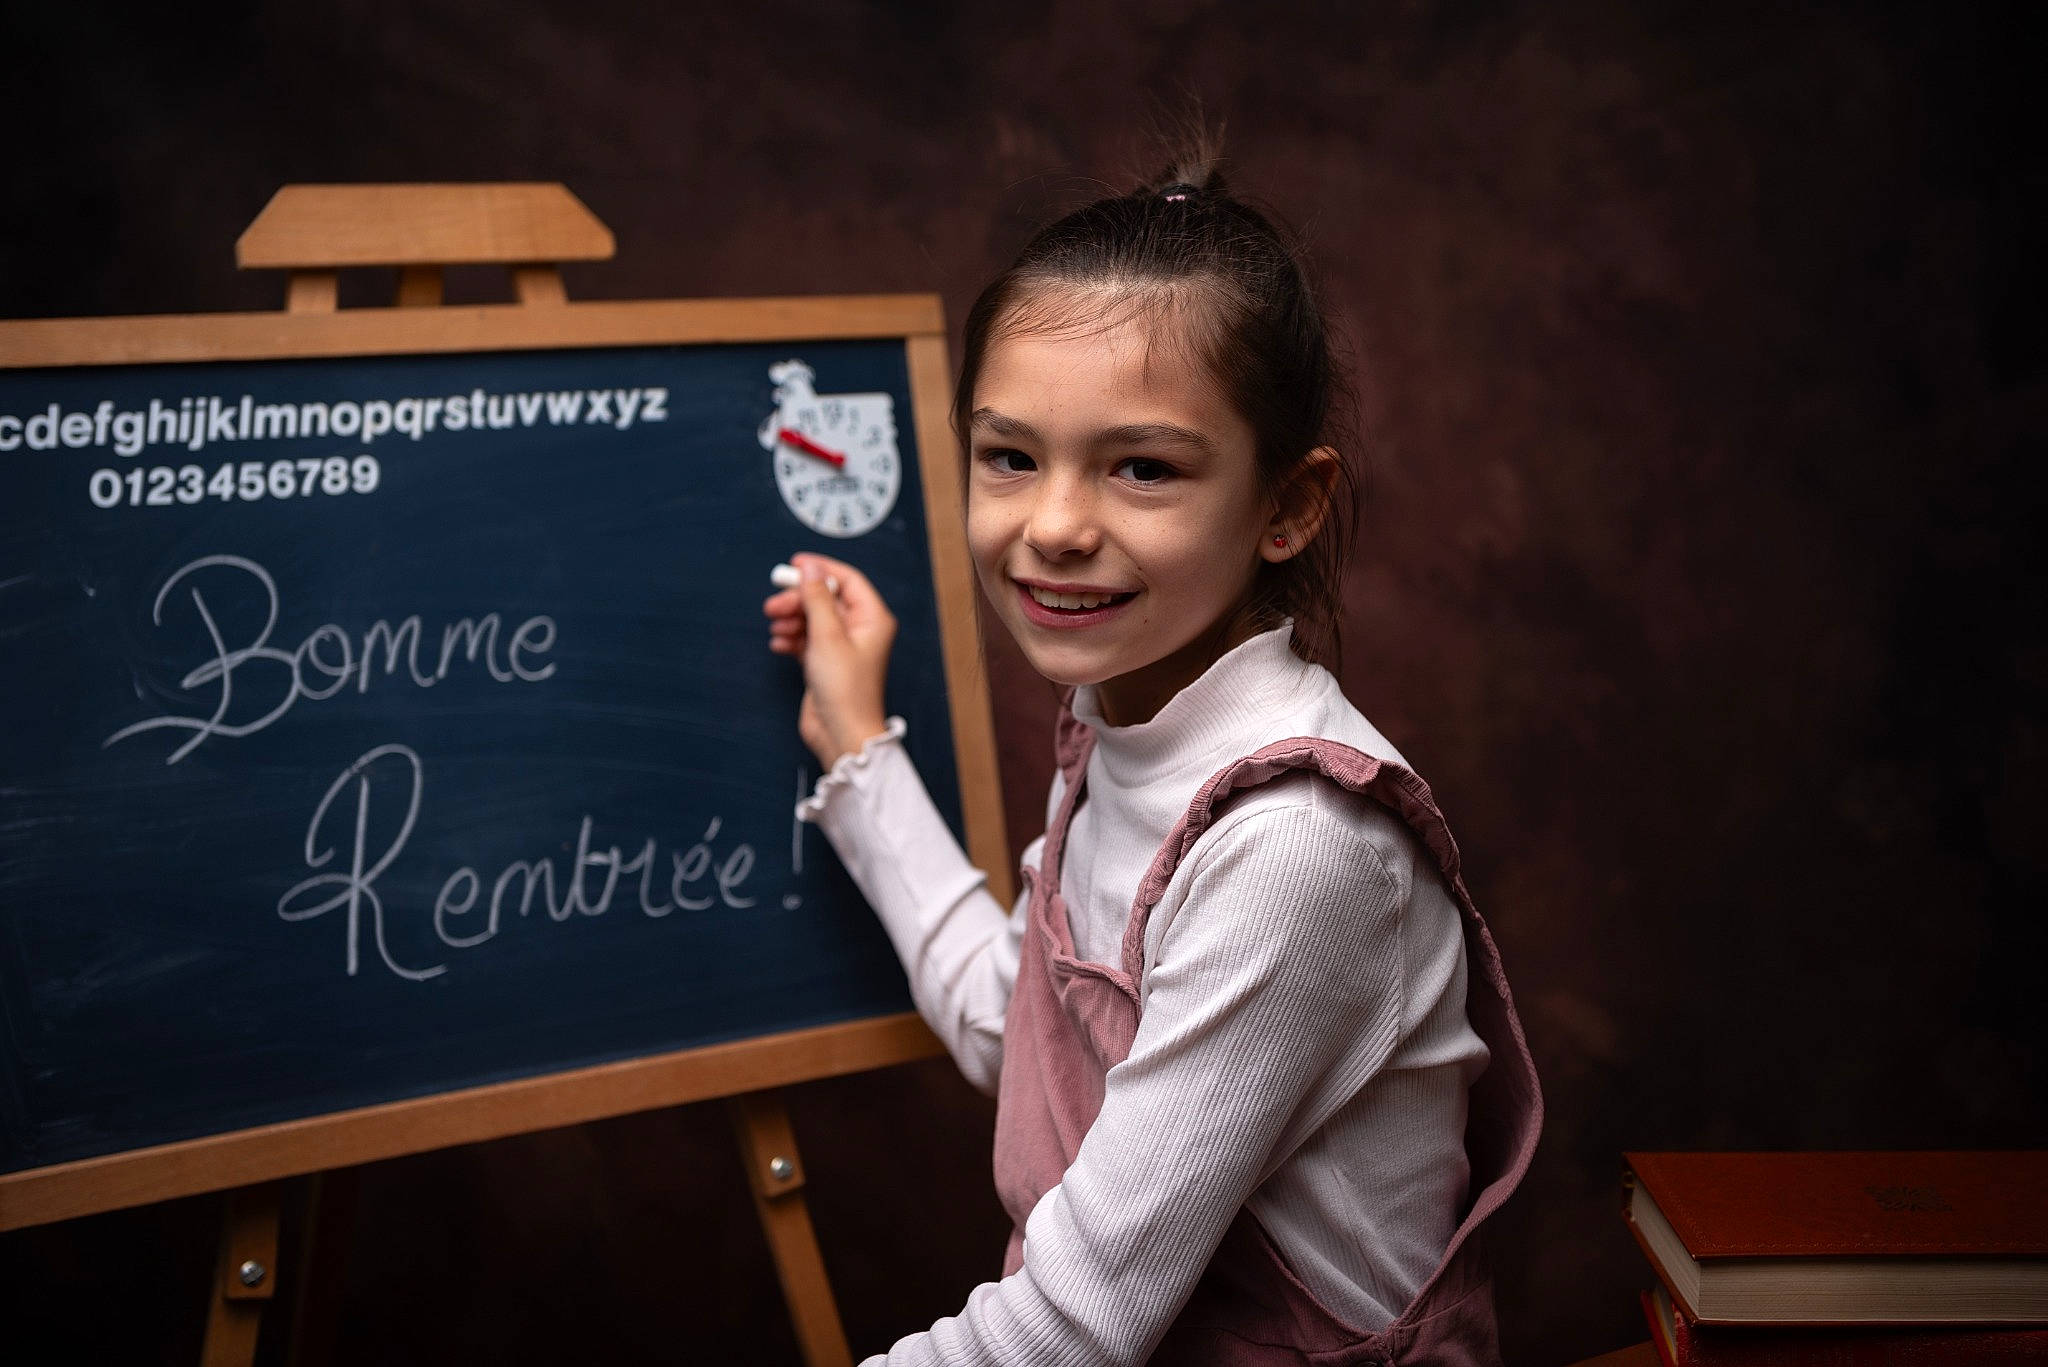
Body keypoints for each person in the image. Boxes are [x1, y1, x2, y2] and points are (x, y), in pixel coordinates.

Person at [763, 147, 1542, 1367]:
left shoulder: (1294, 844)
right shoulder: (1119, 733)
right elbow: (1014, 1034)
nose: (1055, 525)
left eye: (1143, 468)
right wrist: (859, 747)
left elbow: (1072, 1328)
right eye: (1008, 455)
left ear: (1286, 505)